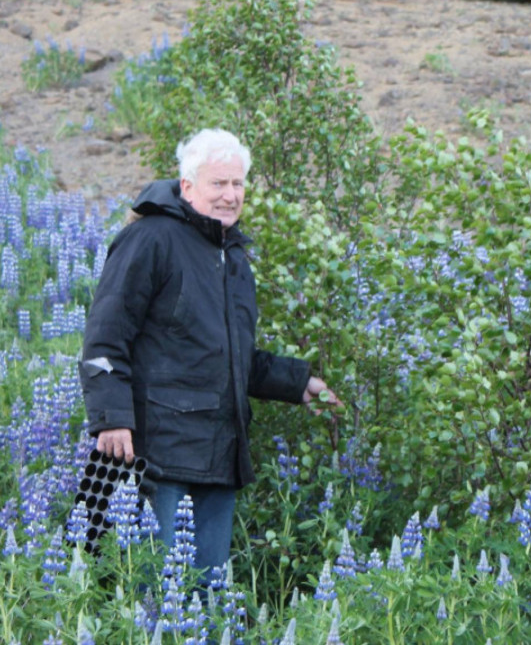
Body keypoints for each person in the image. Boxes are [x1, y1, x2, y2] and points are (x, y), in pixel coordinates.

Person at [79, 127, 342, 581]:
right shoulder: (152, 238)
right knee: (156, 593)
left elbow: (231, 356)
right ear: (187, 186)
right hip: (157, 454)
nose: (229, 195)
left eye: (237, 184)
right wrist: (111, 418)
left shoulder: (233, 255)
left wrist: (298, 382)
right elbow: (105, 336)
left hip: (221, 452)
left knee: (208, 598)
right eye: (218, 183)